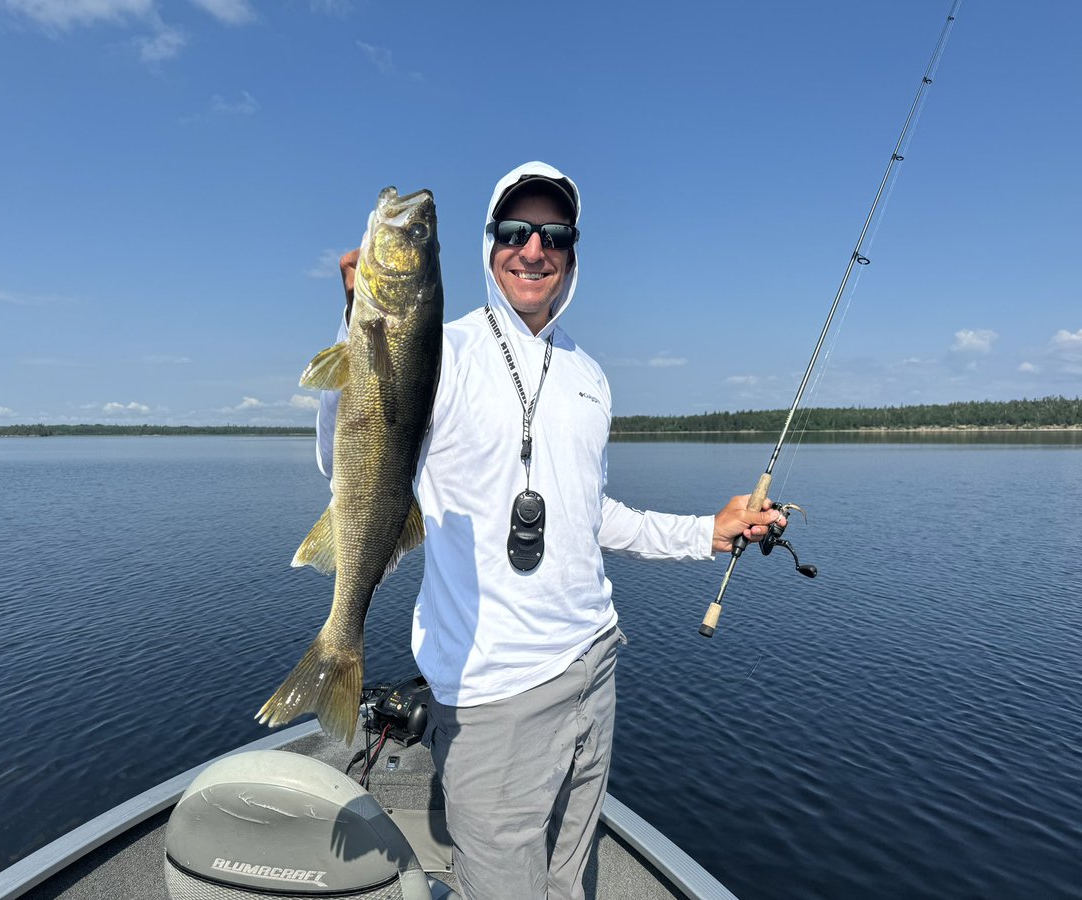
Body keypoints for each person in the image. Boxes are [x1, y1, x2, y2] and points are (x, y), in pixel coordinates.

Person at [320, 161, 783, 900]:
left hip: (593, 666)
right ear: (488, 244)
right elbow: (345, 454)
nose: (532, 250)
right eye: (514, 232)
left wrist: (708, 532)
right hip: (492, 695)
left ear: (571, 251)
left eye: (553, 234)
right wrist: (354, 325)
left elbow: (592, 515)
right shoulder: (443, 348)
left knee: (569, 880)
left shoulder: (590, 377)